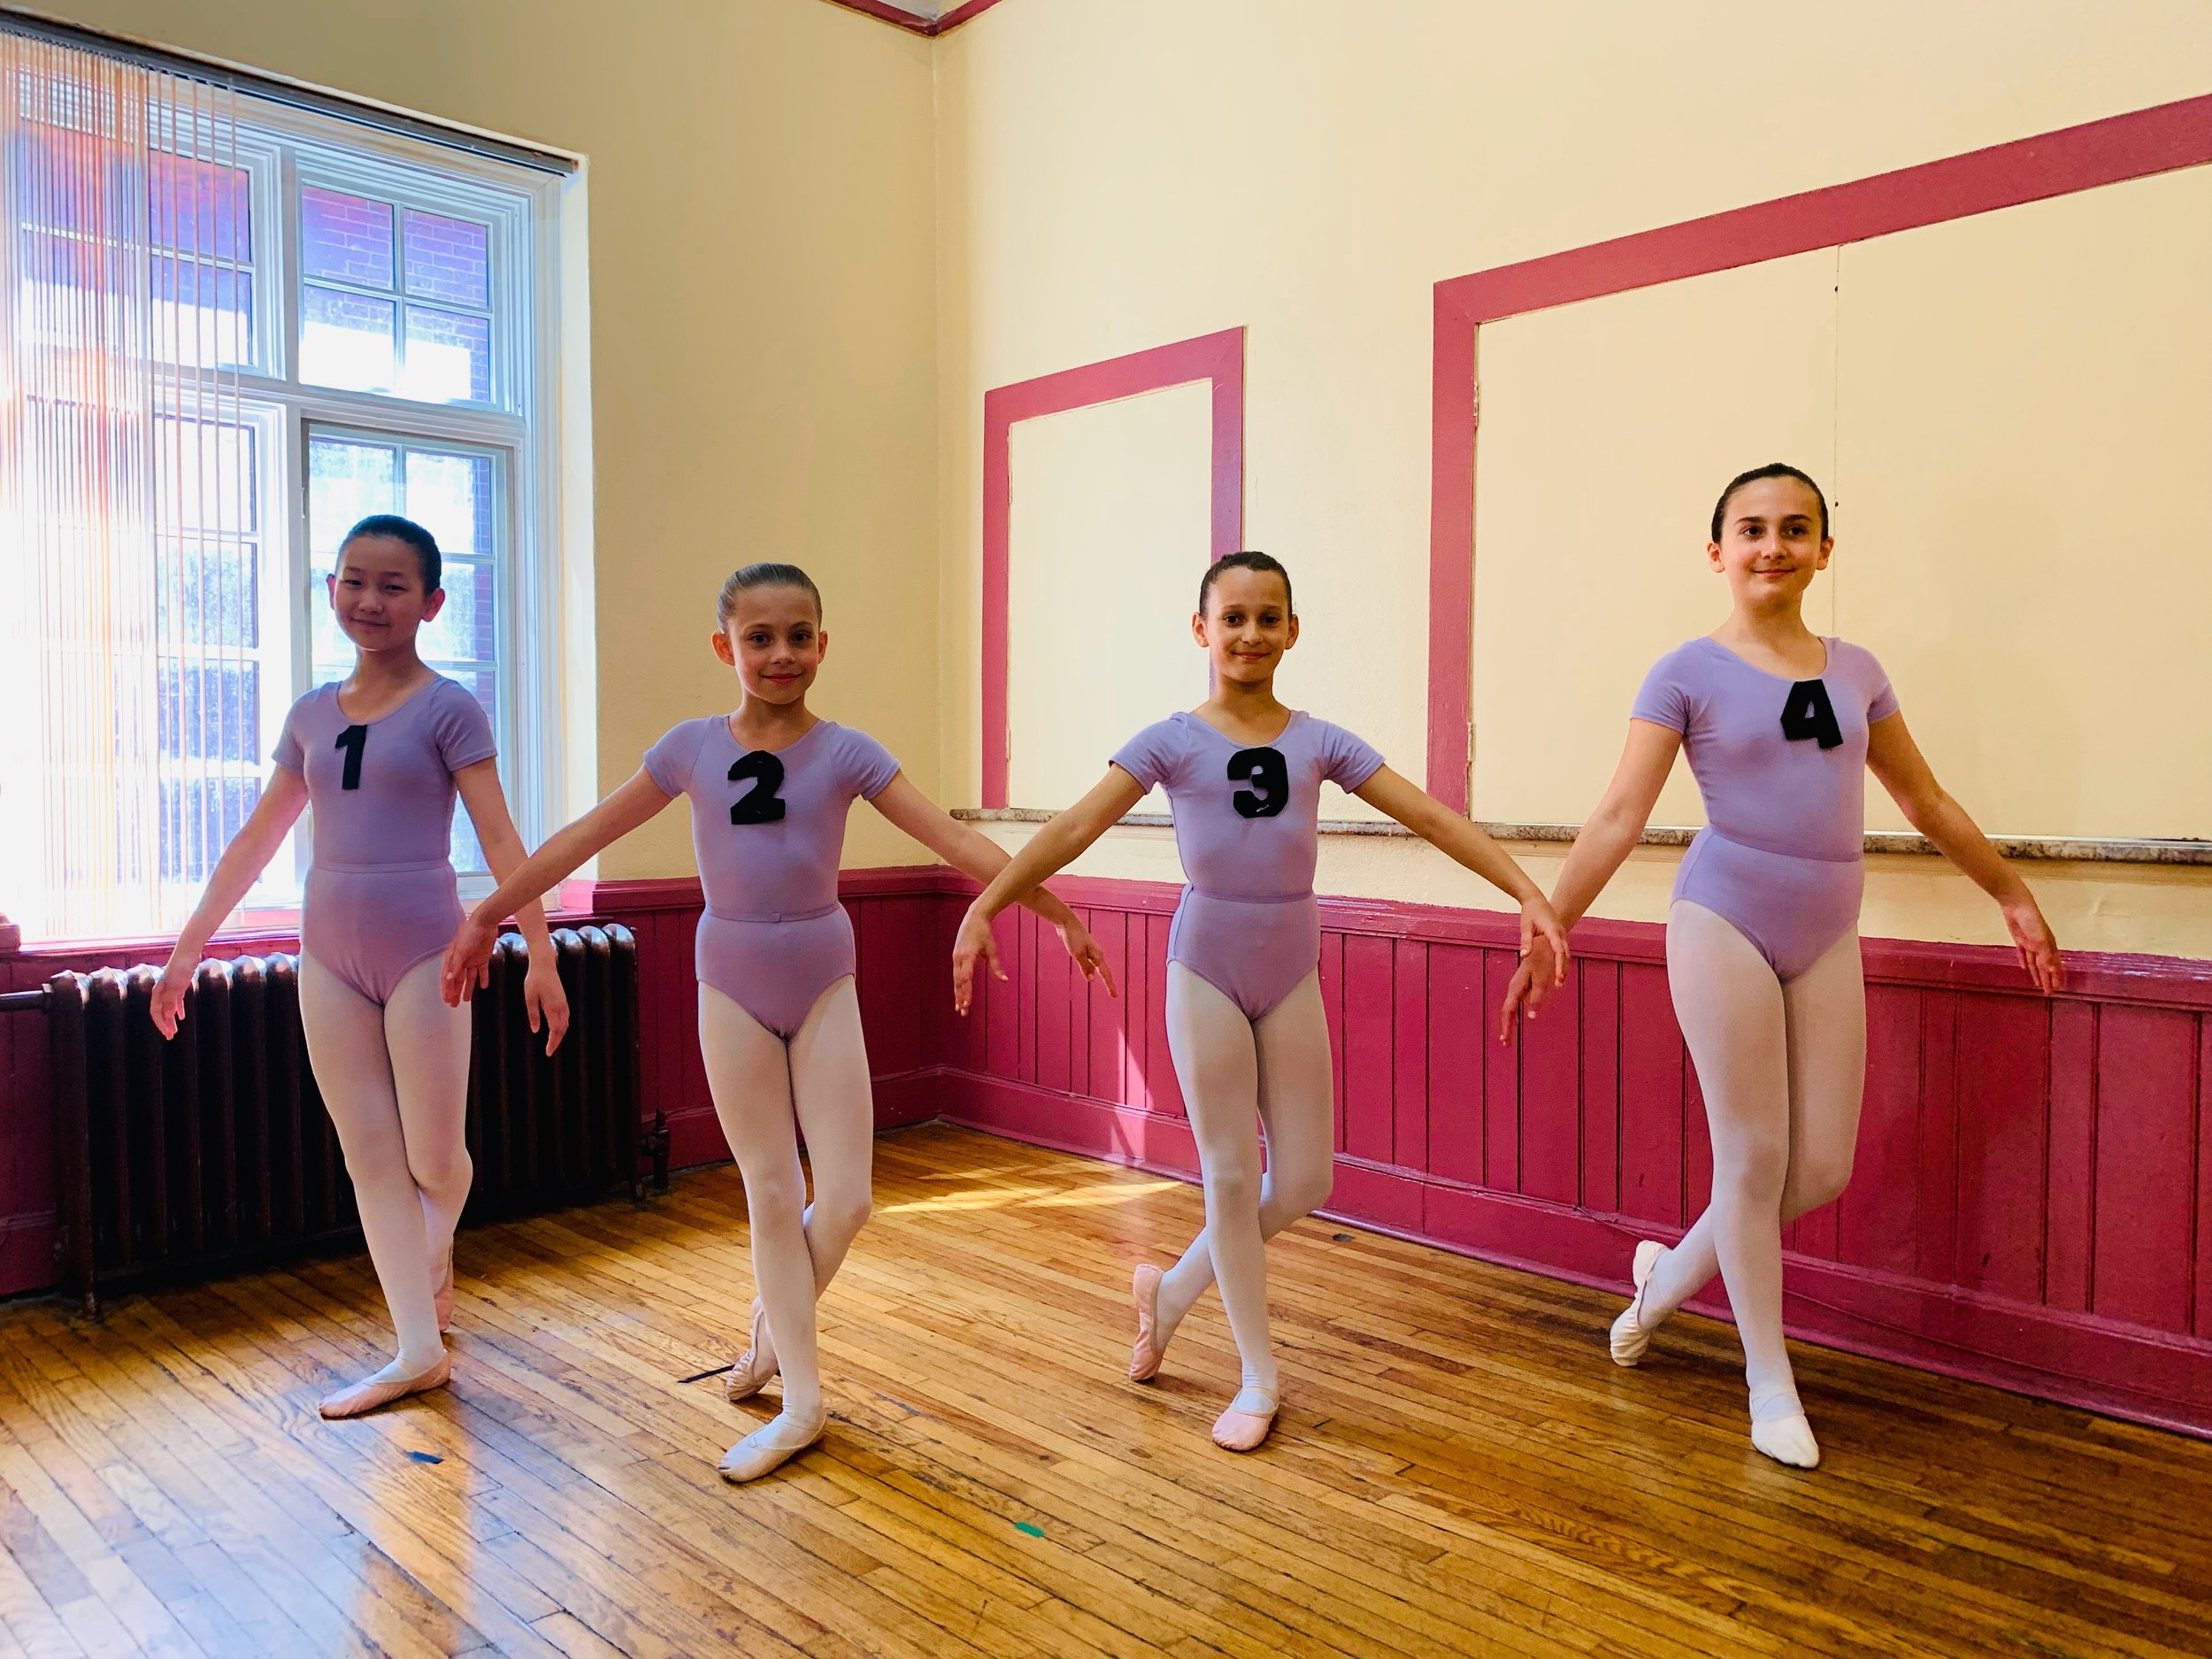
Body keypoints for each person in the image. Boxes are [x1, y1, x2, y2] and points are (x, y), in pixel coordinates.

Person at [444, 561, 1109, 1483]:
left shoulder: (847, 752)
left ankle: (771, 1327)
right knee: (769, 1187)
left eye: (799, 636)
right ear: (725, 648)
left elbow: (952, 838)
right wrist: (488, 914)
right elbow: (582, 838)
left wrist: (1049, 907)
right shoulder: (688, 748)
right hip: (731, 979)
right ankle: (802, 1400)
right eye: (759, 638)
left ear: (822, 645)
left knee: (849, 1198)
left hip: (823, 975)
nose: (781, 653)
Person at [1498, 464, 2064, 1468]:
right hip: (1723, 917)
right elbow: (1619, 814)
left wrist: (2009, 893)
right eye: (1752, 529)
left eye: (1795, 528)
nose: (1773, 546)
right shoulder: (1684, 672)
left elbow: (1924, 800)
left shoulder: (1857, 672)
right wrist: (1551, 923)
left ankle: (1663, 1281)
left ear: (1823, 551)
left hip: (1827, 928)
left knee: (1821, 1168)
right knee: (1753, 1160)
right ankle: (1769, 1381)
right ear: (1717, 551)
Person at [952, 551, 1569, 1452]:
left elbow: (1431, 817)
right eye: (1232, 618)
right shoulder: (1170, 740)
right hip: (1206, 965)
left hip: (1289, 969)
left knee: (1307, 1179)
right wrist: (987, 904)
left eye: (1268, 617)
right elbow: (1075, 825)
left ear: (1292, 630)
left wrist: (1526, 890)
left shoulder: (1319, 741)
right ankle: (1256, 1375)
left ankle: (1169, 1292)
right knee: (1232, 1177)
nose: (1250, 634)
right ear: (1201, 629)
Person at [152, 514, 569, 1418]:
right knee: (368, 1153)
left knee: (434, 1157)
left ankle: (434, 1244)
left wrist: (539, 950)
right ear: (331, 588)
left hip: (425, 947)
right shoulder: (309, 715)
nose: (369, 600)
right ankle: (417, 1349)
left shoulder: (449, 708)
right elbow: (256, 840)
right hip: (329, 952)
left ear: (432, 602)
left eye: (392, 585)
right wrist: (187, 949)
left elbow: (501, 838)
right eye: (354, 580)